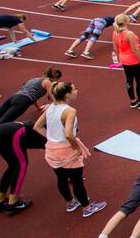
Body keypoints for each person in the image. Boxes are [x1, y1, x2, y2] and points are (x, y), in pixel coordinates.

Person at [42, 81, 106, 218]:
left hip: (51, 149)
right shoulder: (69, 111)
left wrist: (52, 138)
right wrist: (76, 148)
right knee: (77, 180)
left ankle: (71, 203)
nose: (76, 91)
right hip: (66, 149)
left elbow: (37, 126)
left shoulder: (50, 107)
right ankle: (87, 207)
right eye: (74, 90)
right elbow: (69, 134)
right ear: (67, 95)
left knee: (61, 178)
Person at [0, 67, 60, 154]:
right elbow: (52, 97)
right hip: (23, 102)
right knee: (1, 123)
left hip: (14, 98)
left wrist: (38, 107)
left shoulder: (35, 79)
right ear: (55, 78)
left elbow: (32, 93)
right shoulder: (48, 82)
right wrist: (54, 102)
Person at [0, 120, 46, 215]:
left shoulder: (42, 127)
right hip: (15, 133)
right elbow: (56, 157)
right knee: (21, 165)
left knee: (13, 166)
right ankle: (13, 202)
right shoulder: (48, 137)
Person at [112, 14, 140, 110]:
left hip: (123, 59)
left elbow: (115, 49)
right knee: (139, 80)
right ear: (125, 22)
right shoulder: (129, 34)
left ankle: (133, 102)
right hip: (133, 59)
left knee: (129, 80)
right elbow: (135, 49)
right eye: (128, 18)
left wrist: (119, 59)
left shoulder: (115, 33)